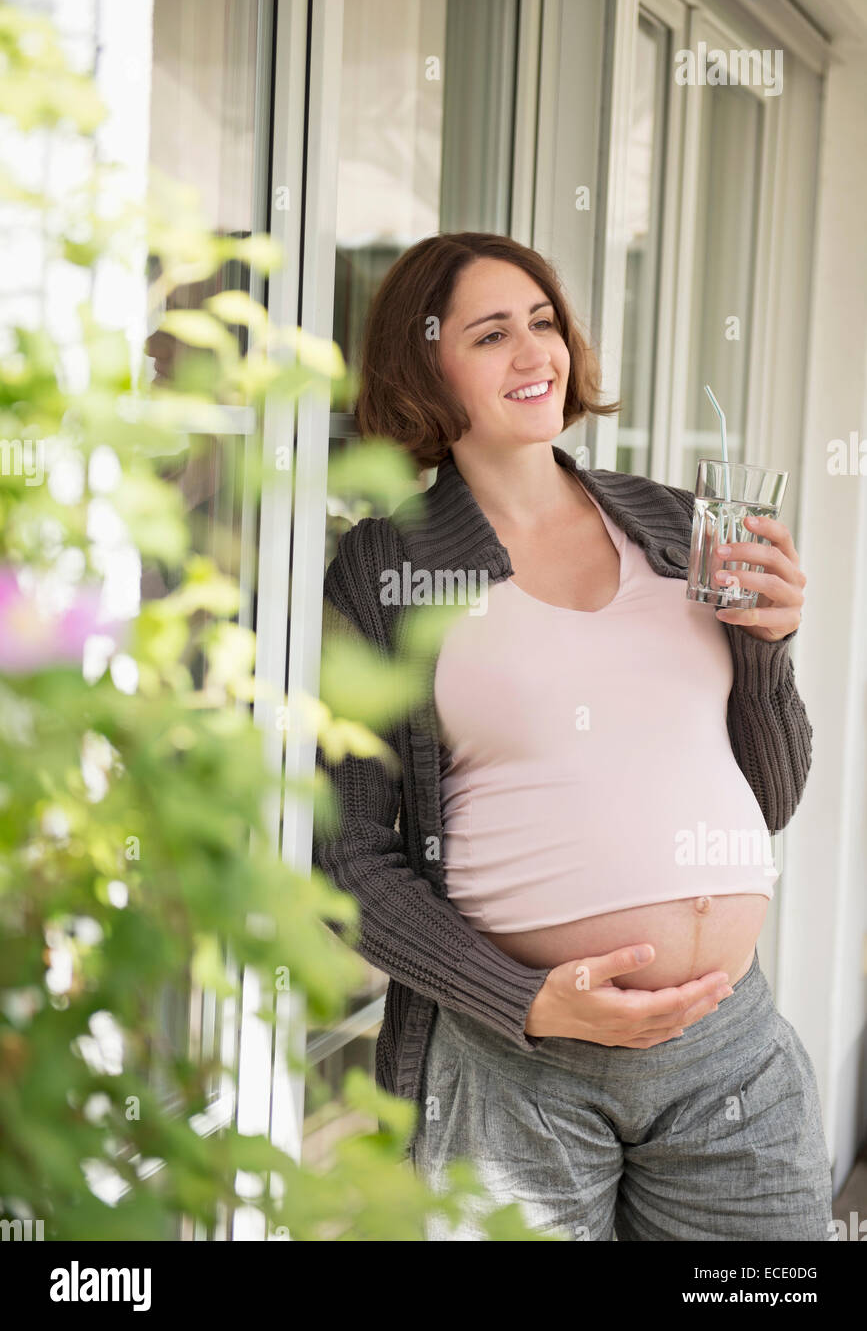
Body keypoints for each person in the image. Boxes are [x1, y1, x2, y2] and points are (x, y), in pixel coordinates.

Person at [313, 231, 832, 1241]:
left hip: (728, 1058)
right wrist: (529, 1000)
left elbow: (765, 798)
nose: (535, 352)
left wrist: (769, 651)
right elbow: (347, 858)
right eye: (493, 333)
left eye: (544, 321)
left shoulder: (681, 528)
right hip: (519, 1078)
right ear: (426, 367)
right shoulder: (386, 569)